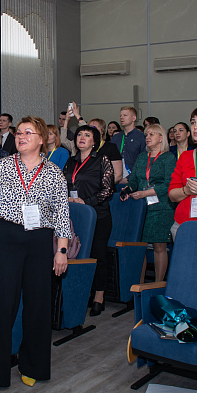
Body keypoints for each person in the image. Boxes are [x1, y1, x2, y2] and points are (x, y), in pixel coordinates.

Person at [0, 115, 71, 390]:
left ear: (41, 139)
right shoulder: (3, 165)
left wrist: (61, 250)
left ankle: (33, 366)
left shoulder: (53, 172)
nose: (21, 136)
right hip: (6, 236)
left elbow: (62, 214)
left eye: (28, 133)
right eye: (18, 132)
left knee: (37, 304)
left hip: (39, 239)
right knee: (2, 302)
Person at [62, 125, 114, 316]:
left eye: (87, 135)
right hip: (75, 215)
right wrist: (67, 197)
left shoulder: (102, 160)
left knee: (97, 255)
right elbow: (63, 184)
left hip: (97, 215)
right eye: (79, 135)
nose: (82, 138)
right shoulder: (71, 161)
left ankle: (99, 296)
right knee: (76, 254)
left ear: (94, 141)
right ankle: (82, 292)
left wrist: (87, 202)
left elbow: (108, 190)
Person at [124, 124, 176, 281]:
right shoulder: (142, 157)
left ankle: (158, 283)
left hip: (161, 208)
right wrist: (128, 189)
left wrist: (145, 193)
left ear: (161, 138)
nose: (147, 137)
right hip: (142, 208)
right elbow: (134, 180)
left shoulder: (168, 158)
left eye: (152, 134)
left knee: (159, 246)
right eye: (146, 135)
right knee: (141, 247)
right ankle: (140, 284)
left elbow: (168, 184)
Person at [110, 106, 145, 181]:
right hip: (116, 178)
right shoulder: (116, 137)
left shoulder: (141, 137)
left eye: (125, 115)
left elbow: (143, 162)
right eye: (120, 116)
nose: (122, 118)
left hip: (134, 179)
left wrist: (129, 178)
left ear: (134, 118)